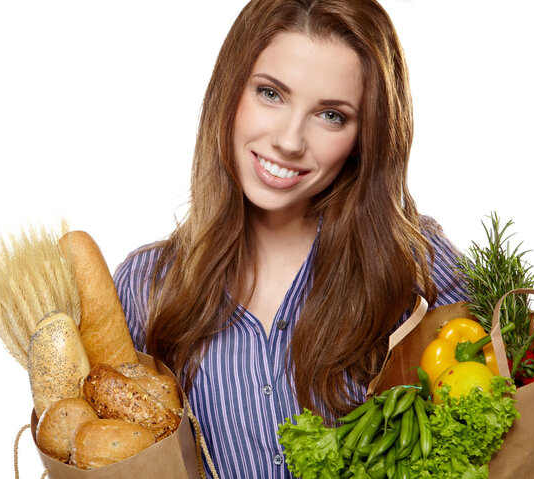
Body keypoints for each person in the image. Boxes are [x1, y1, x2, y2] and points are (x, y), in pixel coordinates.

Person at [113, 0, 468, 476]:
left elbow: (508, 415)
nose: (289, 140)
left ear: (366, 136)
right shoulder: (144, 287)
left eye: (332, 116)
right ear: (230, 90)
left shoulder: (415, 261)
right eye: (270, 94)